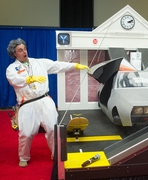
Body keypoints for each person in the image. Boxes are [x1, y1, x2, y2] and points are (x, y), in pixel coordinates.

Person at [6, 38, 89, 167]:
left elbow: (57, 65)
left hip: (45, 100)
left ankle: (56, 154)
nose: (24, 52)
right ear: (14, 53)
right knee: (26, 133)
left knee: (52, 129)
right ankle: (24, 156)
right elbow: (13, 80)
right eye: (20, 50)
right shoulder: (11, 68)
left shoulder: (39, 63)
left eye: (25, 49)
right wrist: (28, 79)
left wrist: (74, 66)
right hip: (27, 104)